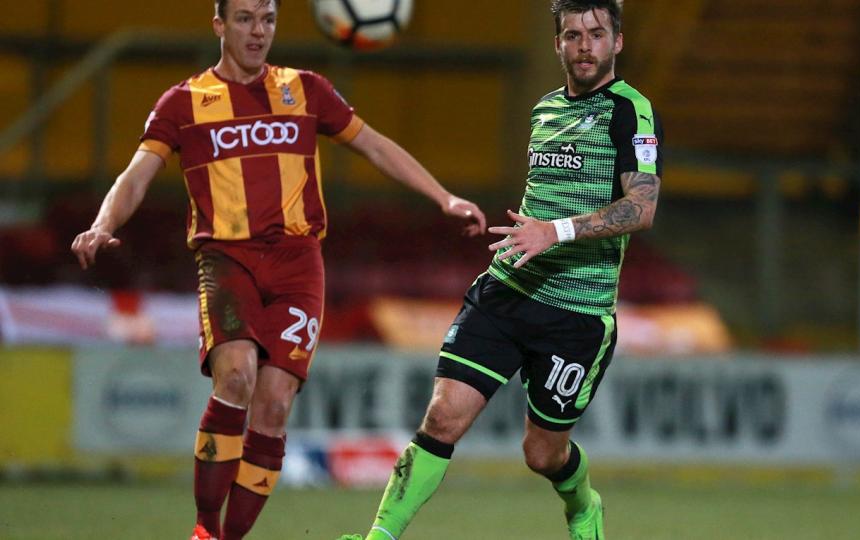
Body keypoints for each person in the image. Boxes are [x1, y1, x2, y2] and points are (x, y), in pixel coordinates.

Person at [70, 1, 486, 539]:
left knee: (273, 406)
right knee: (237, 376)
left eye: (267, 19)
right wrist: (102, 224)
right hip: (227, 258)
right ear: (219, 25)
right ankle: (204, 529)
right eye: (244, 18)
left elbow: (374, 145)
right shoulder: (184, 102)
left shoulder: (305, 89)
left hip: (298, 264)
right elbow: (136, 174)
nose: (258, 31)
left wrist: (443, 196)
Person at [338, 1, 662, 539]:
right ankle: (378, 537)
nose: (585, 45)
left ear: (617, 42)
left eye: (597, 33)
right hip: (507, 291)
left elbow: (642, 208)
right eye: (573, 35)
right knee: (442, 416)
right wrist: (532, 233)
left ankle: (584, 506)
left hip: (576, 314)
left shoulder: (631, 110)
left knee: (542, 453)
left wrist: (554, 231)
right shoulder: (544, 110)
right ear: (557, 44)